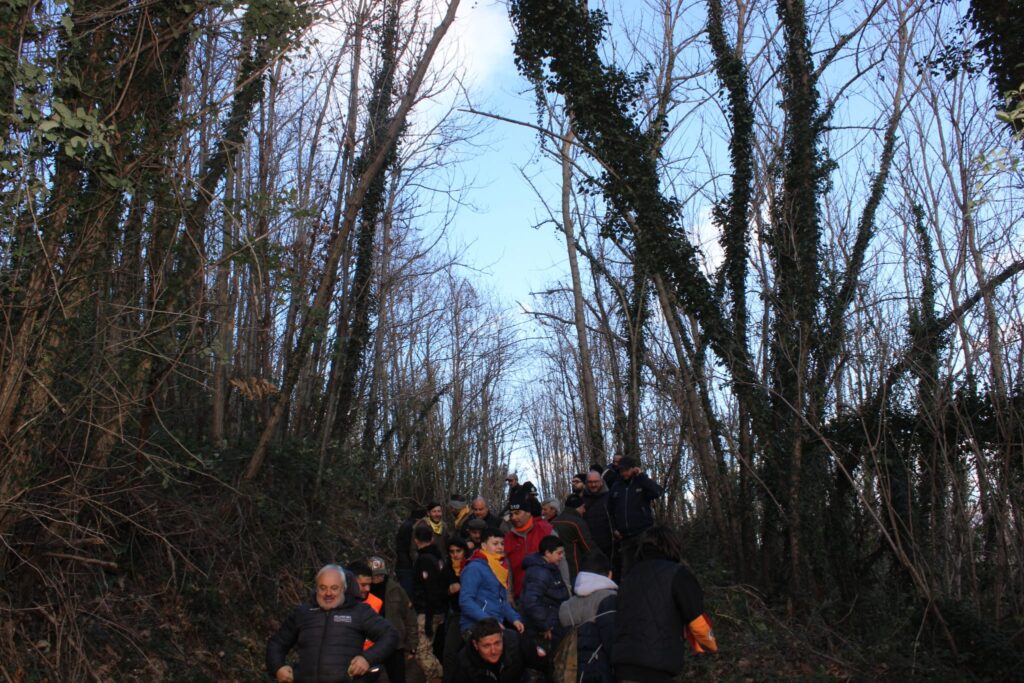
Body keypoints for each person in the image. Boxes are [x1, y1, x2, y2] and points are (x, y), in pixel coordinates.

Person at [611, 527, 715, 683]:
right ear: (673, 546)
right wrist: (711, 645)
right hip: (657, 667)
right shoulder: (678, 575)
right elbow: (698, 622)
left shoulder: (628, 577)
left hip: (623, 667)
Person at [266, 563, 398, 683]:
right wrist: (278, 667)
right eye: (323, 588)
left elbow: (390, 635)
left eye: (334, 588)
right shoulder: (303, 613)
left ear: (343, 589)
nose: (328, 593)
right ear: (316, 588)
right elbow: (276, 643)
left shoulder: (359, 611)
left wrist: (367, 658)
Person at [558, 551, 617, 683]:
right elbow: (612, 641)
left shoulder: (565, 606)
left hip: (568, 673)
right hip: (601, 673)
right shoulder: (609, 598)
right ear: (609, 574)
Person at [459, 527, 525, 634]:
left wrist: (515, 619)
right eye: (495, 543)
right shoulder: (474, 568)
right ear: (484, 546)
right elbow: (466, 601)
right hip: (475, 626)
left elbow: (501, 601)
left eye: (502, 544)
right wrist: (489, 621)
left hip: (494, 624)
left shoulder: (499, 568)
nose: (500, 547)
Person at [607, 457, 663, 576]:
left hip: (643, 533)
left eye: (626, 470)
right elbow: (610, 510)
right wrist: (614, 528)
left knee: (648, 567)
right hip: (624, 537)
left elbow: (657, 492)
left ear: (633, 469)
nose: (624, 473)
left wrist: (641, 476)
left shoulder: (641, 482)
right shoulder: (616, 487)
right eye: (621, 470)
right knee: (628, 570)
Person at [367, 556, 418, 683]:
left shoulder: (395, 589)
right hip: (372, 645)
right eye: (375, 576)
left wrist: (412, 644)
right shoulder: (364, 592)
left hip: (394, 644)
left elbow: (409, 616)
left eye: (381, 575)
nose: (378, 578)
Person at [450, 618, 546, 683]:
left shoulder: (516, 642)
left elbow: (544, 664)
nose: (493, 651)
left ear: (502, 638)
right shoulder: (463, 662)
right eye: (486, 646)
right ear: (476, 645)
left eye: (497, 643)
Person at [519, 536, 570, 649]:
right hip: (544, 630)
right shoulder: (540, 573)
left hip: (553, 624)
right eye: (559, 553)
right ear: (547, 553)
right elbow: (531, 602)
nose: (561, 557)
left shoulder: (549, 568)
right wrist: (545, 626)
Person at [413, 524, 448, 683]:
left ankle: (436, 678)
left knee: (423, 652)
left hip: (429, 611)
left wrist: (427, 619)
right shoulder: (438, 557)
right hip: (439, 609)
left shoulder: (425, 560)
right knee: (432, 649)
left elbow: (430, 589)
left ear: (416, 541)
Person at [504, 491, 554, 600]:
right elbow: (507, 570)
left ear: (528, 512)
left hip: (547, 596)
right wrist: (508, 594)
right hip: (520, 598)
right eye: (511, 514)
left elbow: (561, 561)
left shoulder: (546, 531)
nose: (514, 517)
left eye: (518, 513)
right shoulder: (508, 538)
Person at [441, 537, 468, 683]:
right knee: (450, 653)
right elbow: (439, 592)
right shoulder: (447, 568)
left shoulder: (471, 565)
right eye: (452, 552)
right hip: (457, 614)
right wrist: (449, 591)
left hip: (473, 613)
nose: (455, 555)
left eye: (458, 551)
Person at [551, 494, 594, 587]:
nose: (584, 510)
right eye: (583, 507)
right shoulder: (577, 522)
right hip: (575, 569)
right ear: (578, 507)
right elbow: (588, 547)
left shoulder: (553, 522)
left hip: (556, 569)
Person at [580, 471, 614, 560]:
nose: (593, 485)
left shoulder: (610, 497)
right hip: (589, 544)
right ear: (586, 483)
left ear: (601, 481)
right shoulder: (581, 500)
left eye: (596, 481)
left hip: (609, 544)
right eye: (590, 482)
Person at [397, 505, 426, 596]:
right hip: (406, 565)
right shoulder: (411, 527)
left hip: (403, 564)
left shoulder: (406, 525)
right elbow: (408, 547)